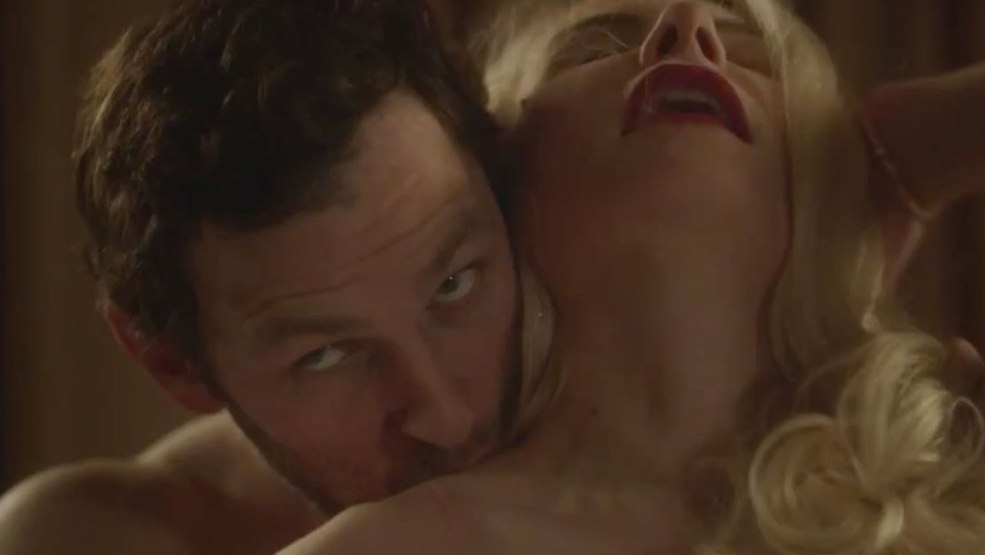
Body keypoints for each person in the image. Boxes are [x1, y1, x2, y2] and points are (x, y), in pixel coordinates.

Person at [278, 0, 985, 553]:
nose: (689, 26)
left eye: (753, 57)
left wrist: (899, 148)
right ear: (495, 174)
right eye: (595, 48)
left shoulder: (943, 485)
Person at [0, 0, 529, 553]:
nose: (448, 419)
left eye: (454, 285)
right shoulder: (100, 535)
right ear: (172, 365)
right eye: (323, 356)